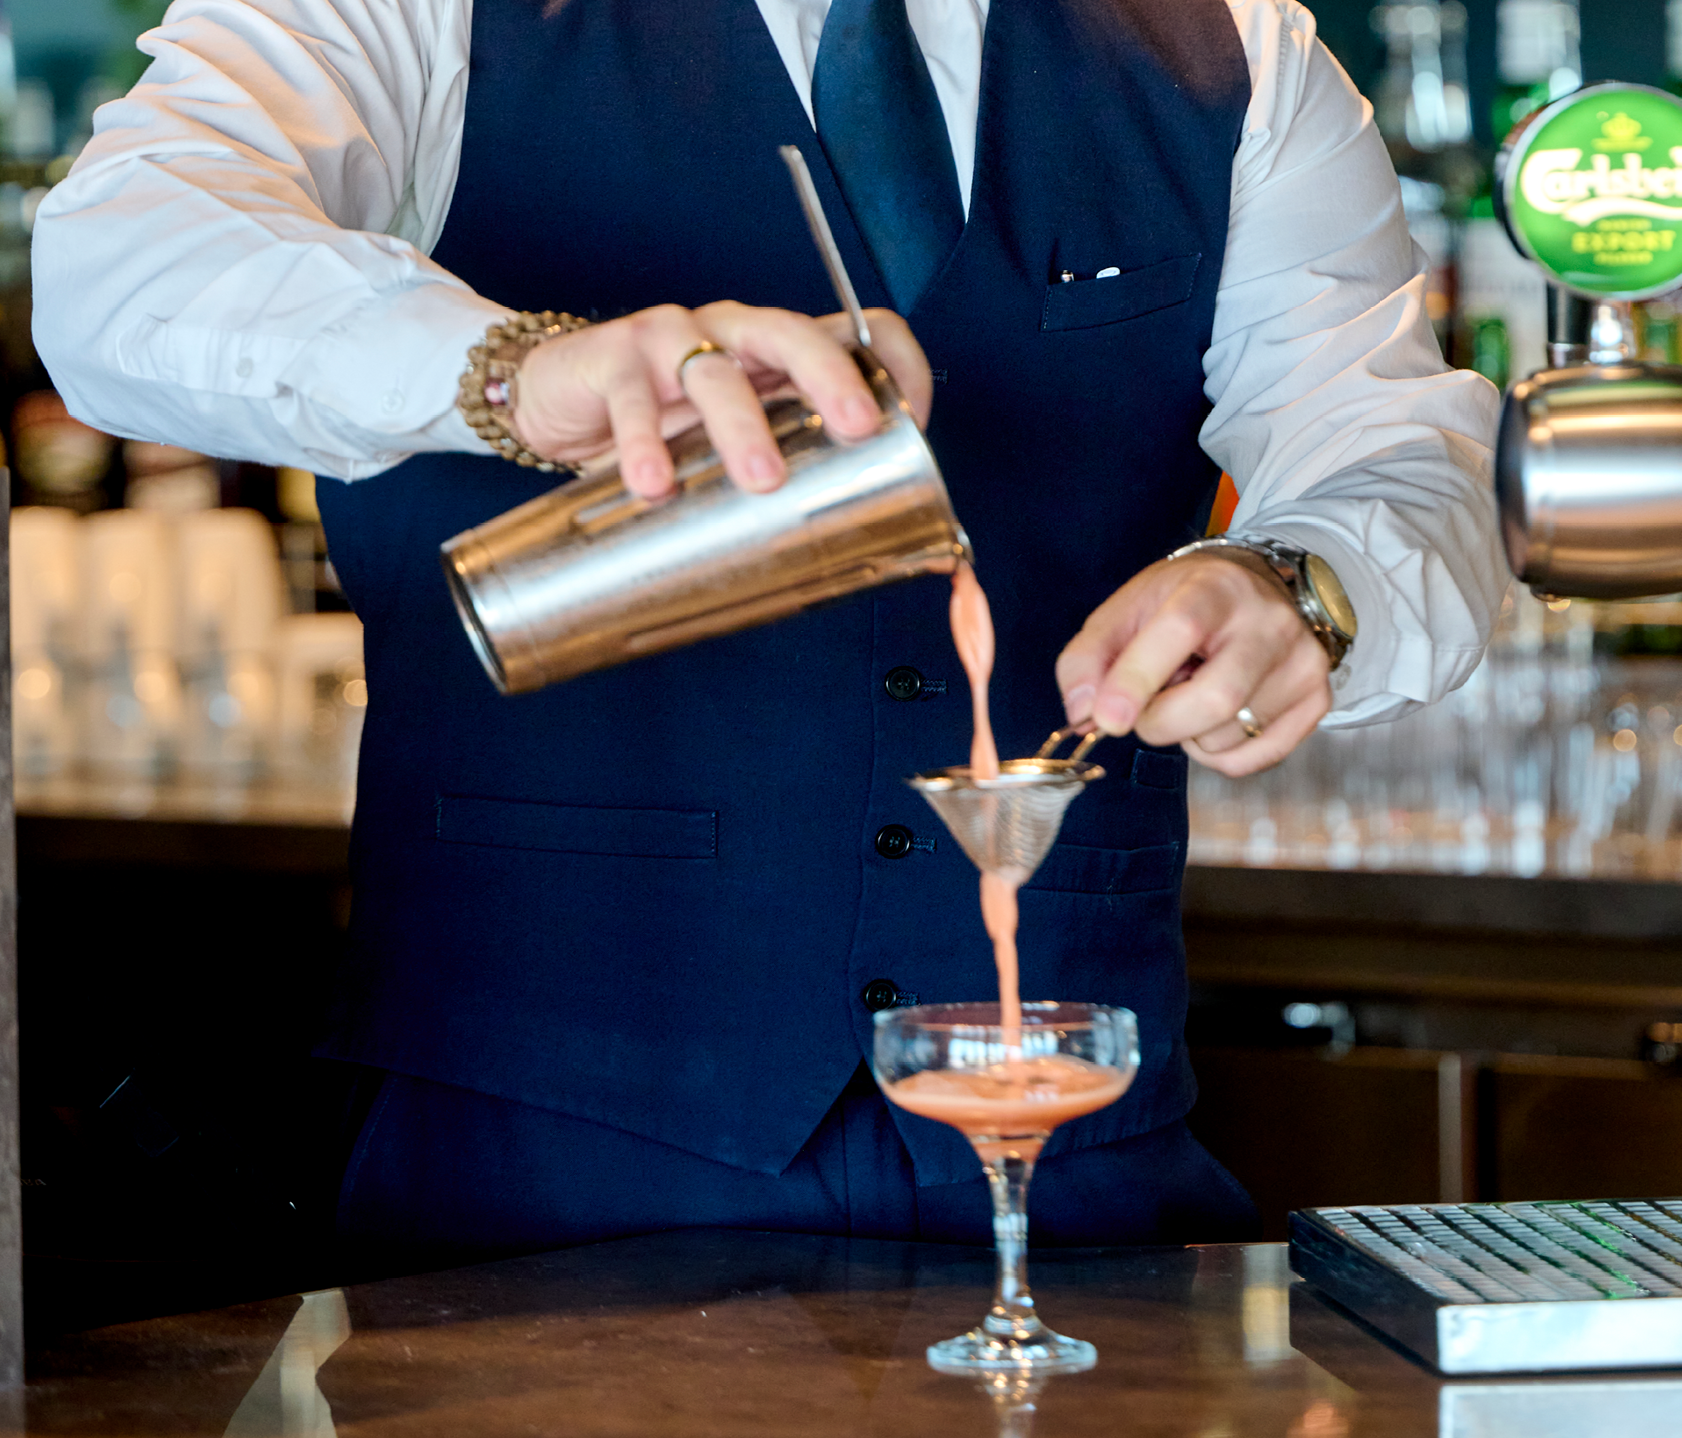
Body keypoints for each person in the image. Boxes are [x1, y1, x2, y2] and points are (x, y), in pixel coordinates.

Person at [33, 0, 1505, 1259]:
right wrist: (511, 375)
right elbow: (119, 260)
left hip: (1073, 1166)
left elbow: (1392, 441)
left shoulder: (1227, 44)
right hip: (547, 1162)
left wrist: (1306, 583)